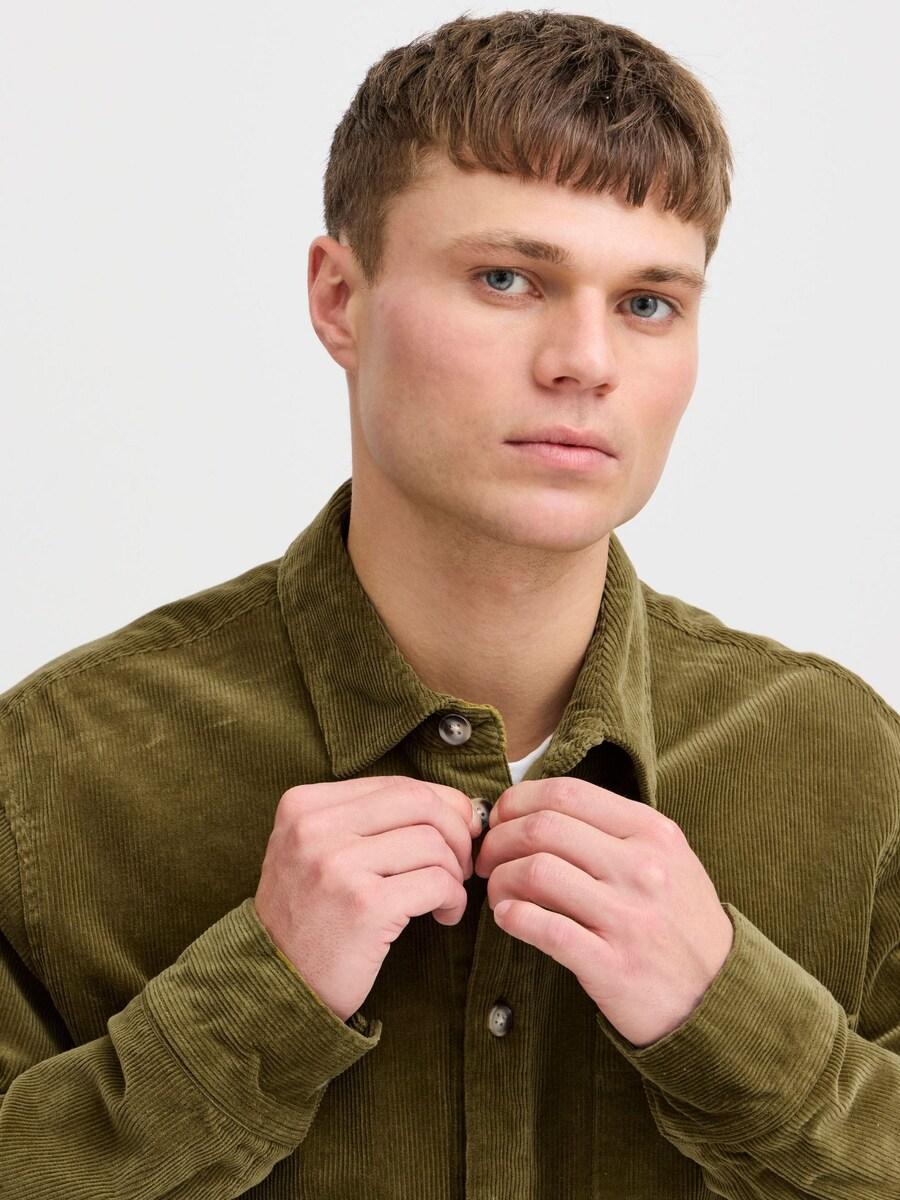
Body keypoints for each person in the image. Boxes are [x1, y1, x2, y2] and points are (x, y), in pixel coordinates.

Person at [1, 9, 898, 1197]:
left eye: (647, 302)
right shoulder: (51, 776)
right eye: (507, 279)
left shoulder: (852, 771)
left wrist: (736, 1023)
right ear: (340, 299)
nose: (586, 361)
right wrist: (255, 1004)